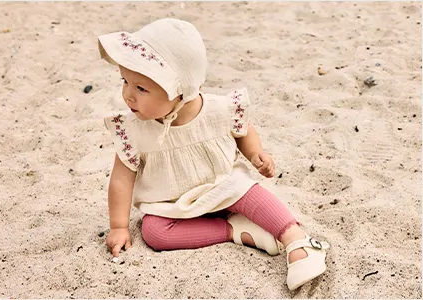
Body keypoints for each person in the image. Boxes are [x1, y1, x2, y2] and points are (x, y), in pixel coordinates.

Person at [97, 18, 330, 290]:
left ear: (180, 90)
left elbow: (243, 130)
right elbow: (122, 180)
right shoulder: (134, 130)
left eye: (140, 88)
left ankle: (297, 240)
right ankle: (234, 231)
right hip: (173, 202)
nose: (128, 95)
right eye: (125, 81)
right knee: (153, 232)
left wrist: (255, 153)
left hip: (221, 186)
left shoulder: (218, 110)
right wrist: (119, 227)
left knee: (249, 191)